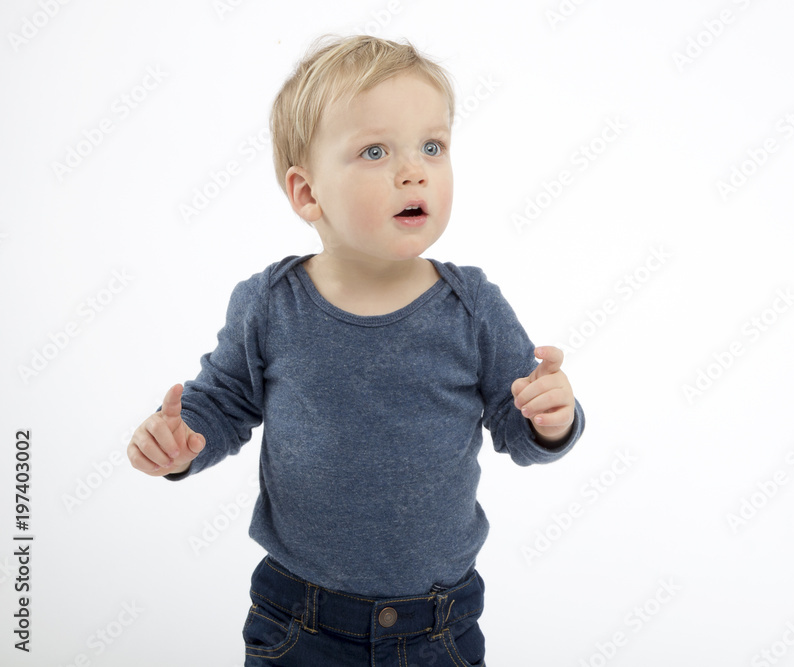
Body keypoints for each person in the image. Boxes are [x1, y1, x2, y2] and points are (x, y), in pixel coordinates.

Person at [126, 34, 585, 666]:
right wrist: (182, 440)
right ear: (307, 193)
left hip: (439, 624)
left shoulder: (472, 305)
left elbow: (516, 421)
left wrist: (549, 418)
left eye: (432, 146)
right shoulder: (271, 304)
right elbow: (223, 402)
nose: (414, 170)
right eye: (375, 151)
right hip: (298, 619)